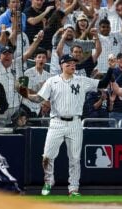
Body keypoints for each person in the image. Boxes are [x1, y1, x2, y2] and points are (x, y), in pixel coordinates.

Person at [22, 54, 114, 196]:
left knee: (75, 158)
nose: (72, 65)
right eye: (69, 63)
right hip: (56, 122)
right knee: (47, 156)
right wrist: (27, 94)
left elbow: (102, 83)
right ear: (62, 65)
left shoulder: (81, 80)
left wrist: (110, 69)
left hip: (75, 123)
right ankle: (48, 181)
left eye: (74, 63)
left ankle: (73, 188)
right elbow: (39, 98)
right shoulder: (52, 81)